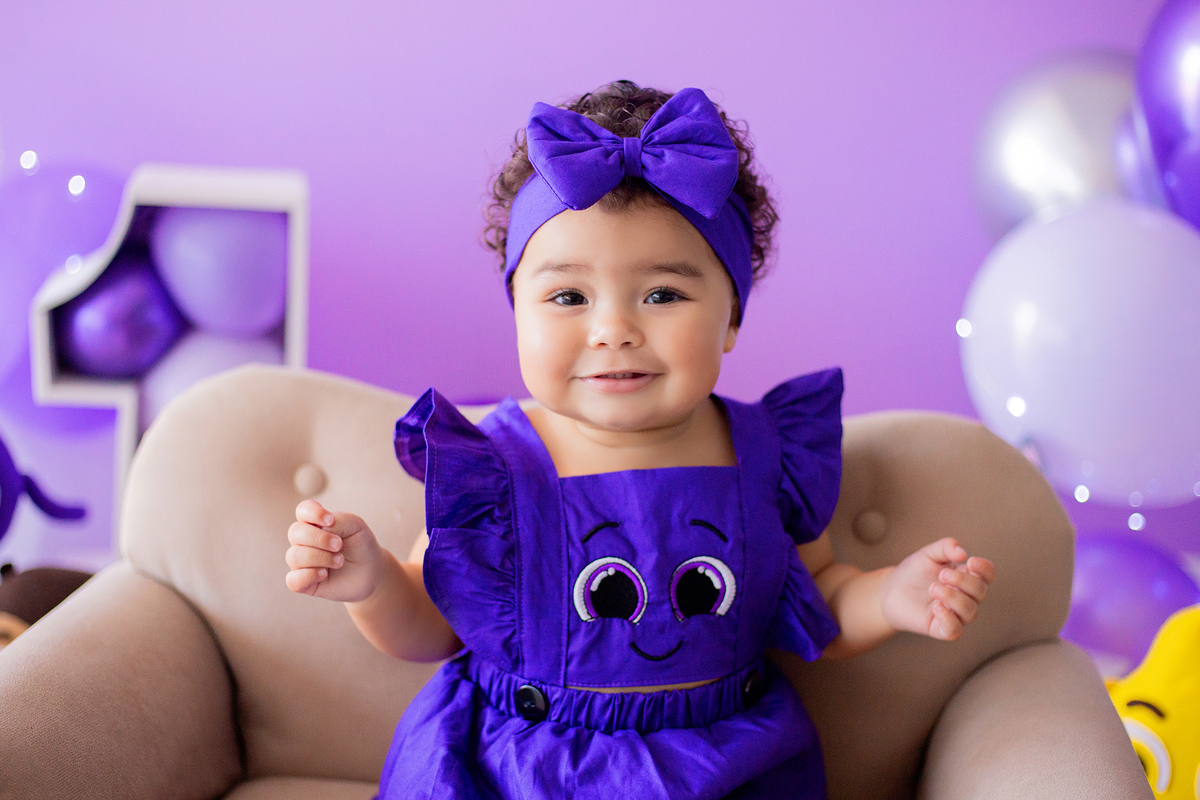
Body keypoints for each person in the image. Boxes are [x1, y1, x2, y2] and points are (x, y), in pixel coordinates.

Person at [284, 81, 996, 800]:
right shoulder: (494, 468)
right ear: (517, 314)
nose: (613, 328)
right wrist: (371, 581)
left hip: (721, 766)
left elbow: (819, 599)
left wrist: (893, 597)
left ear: (731, 321)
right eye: (568, 297)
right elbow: (431, 627)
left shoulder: (764, 454)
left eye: (662, 294)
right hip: (521, 771)